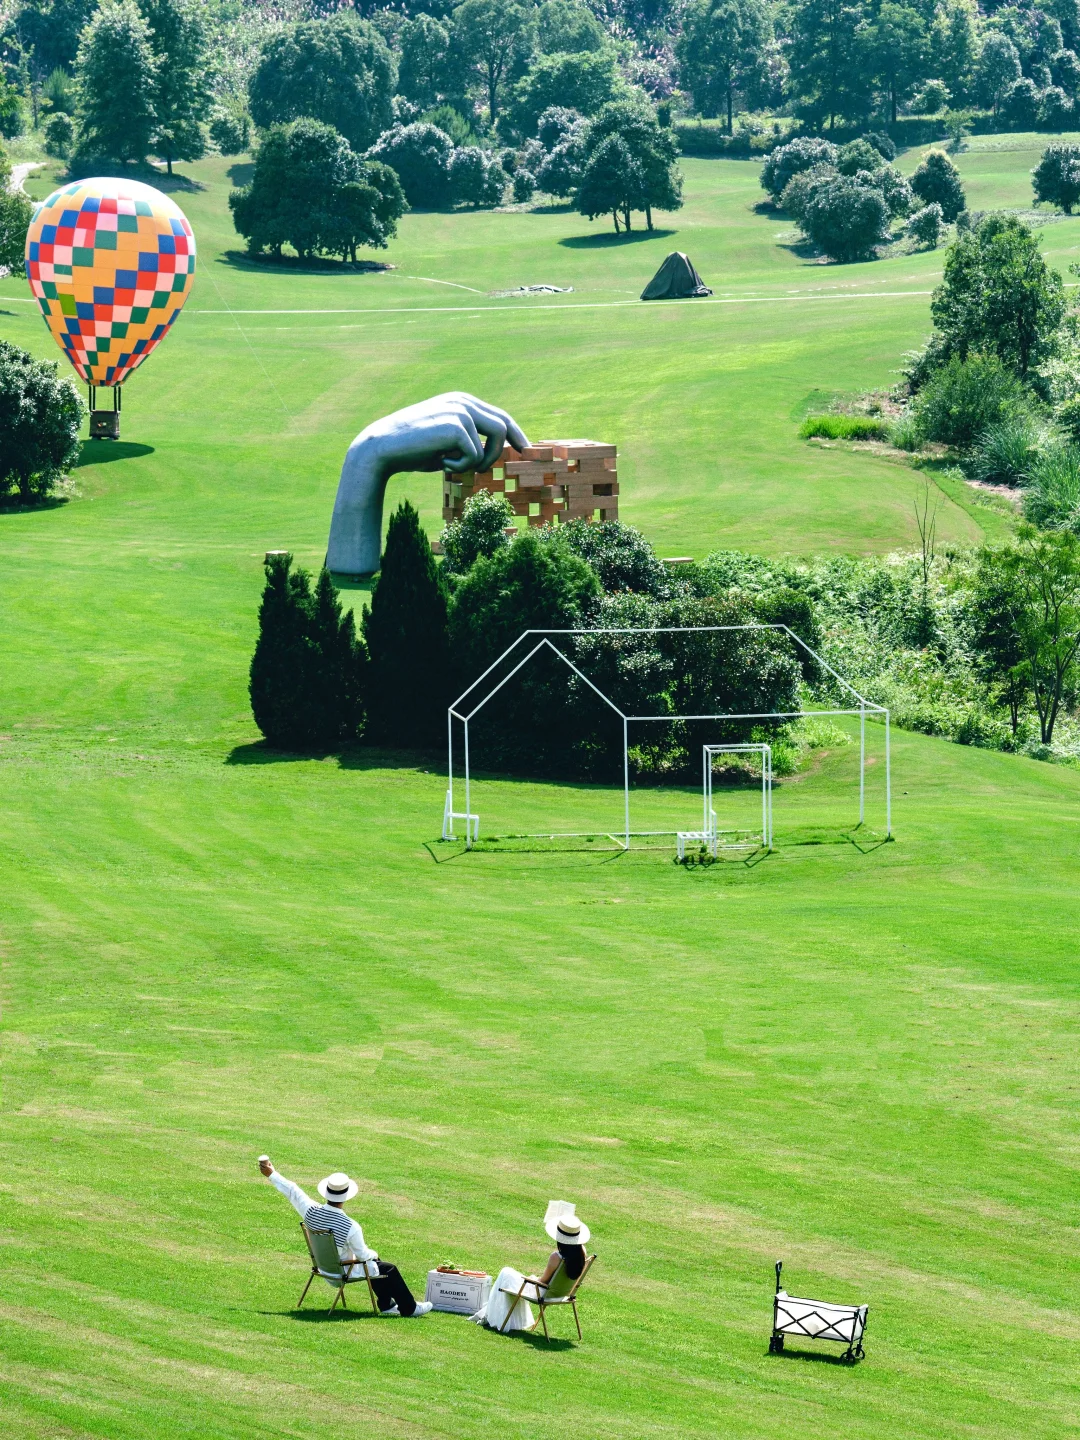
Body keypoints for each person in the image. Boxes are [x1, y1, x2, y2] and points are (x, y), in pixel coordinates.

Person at [258, 1155, 432, 1316]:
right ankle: (409, 1308)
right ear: (346, 1196)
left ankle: (387, 1305)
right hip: (341, 1271)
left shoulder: (310, 1211)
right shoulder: (350, 1226)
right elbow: (364, 1255)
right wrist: (374, 1254)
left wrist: (272, 1173)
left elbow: (292, 1191)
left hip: (322, 1267)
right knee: (386, 1267)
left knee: (376, 1265)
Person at [471, 1211, 591, 1333]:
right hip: (563, 1293)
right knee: (508, 1276)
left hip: (543, 1293)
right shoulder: (582, 1252)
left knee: (505, 1273)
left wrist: (530, 1278)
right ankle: (495, 1317)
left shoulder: (556, 1257)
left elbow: (542, 1281)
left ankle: (492, 1317)